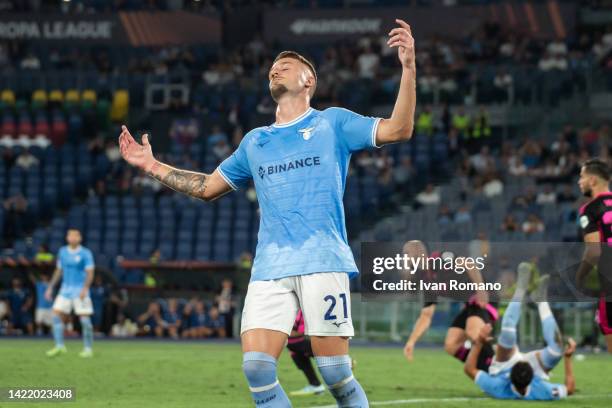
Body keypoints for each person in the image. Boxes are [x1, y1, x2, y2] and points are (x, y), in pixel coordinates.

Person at [119, 18, 416, 407]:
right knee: (257, 369)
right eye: (273, 67)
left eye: (287, 65)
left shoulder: (332, 122)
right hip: (269, 267)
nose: (275, 68)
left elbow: (398, 130)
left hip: (322, 259)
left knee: (335, 374)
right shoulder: (255, 141)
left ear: (309, 80)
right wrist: (152, 166)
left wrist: (408, 69)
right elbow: (208, 187)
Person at [464, 263, 576, 400]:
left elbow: (469, 369)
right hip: (527, 371)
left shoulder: (498, 387)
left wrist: (478, 343)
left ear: (509, 378)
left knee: (508, 333)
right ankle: (541, 300)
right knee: (557, 350)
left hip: (504, 366)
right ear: (534, 378)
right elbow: (569, 388)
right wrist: (568, 358)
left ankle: (520, 289)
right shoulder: (541, 391)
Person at [402, 241, 496, 372]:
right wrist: (411, 341)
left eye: (406, 253)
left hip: (484, 298)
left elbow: (468, 263)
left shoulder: (439, 258)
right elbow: (426, 315)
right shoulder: (426, 280)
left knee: (473, 332)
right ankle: (489, 366)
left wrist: (481, 289)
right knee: (451, 345)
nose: (403, 257)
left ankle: (499, 367)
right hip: (470, 305)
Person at [575, 158, 612, 352]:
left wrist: (580, 277)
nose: (579, 182)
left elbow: (594, 251)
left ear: (593, 181)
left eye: (582, 177)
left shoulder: (589, 210)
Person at [44, 229, 95, 358]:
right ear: (67, 238)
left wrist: (85, 288)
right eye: (70, 235)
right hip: (65, 290)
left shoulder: (85, 253)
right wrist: (50, 287)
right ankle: (60, 346)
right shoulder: (62, 252)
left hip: (80, 290)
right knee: (55, 315)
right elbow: (59, 270)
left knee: (85, 320)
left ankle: (88, 349)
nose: (72, 238)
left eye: (75, 235)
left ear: (80, 238)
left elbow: (90, 273)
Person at [287, 310, 325, 396]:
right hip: (292, 347)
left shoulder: (302, 311)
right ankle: (315, 385)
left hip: (301, 343)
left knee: (325, 358)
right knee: (304, 366)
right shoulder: (287, 308)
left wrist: (283, 333)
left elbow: (301, 331)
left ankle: (345, 362)